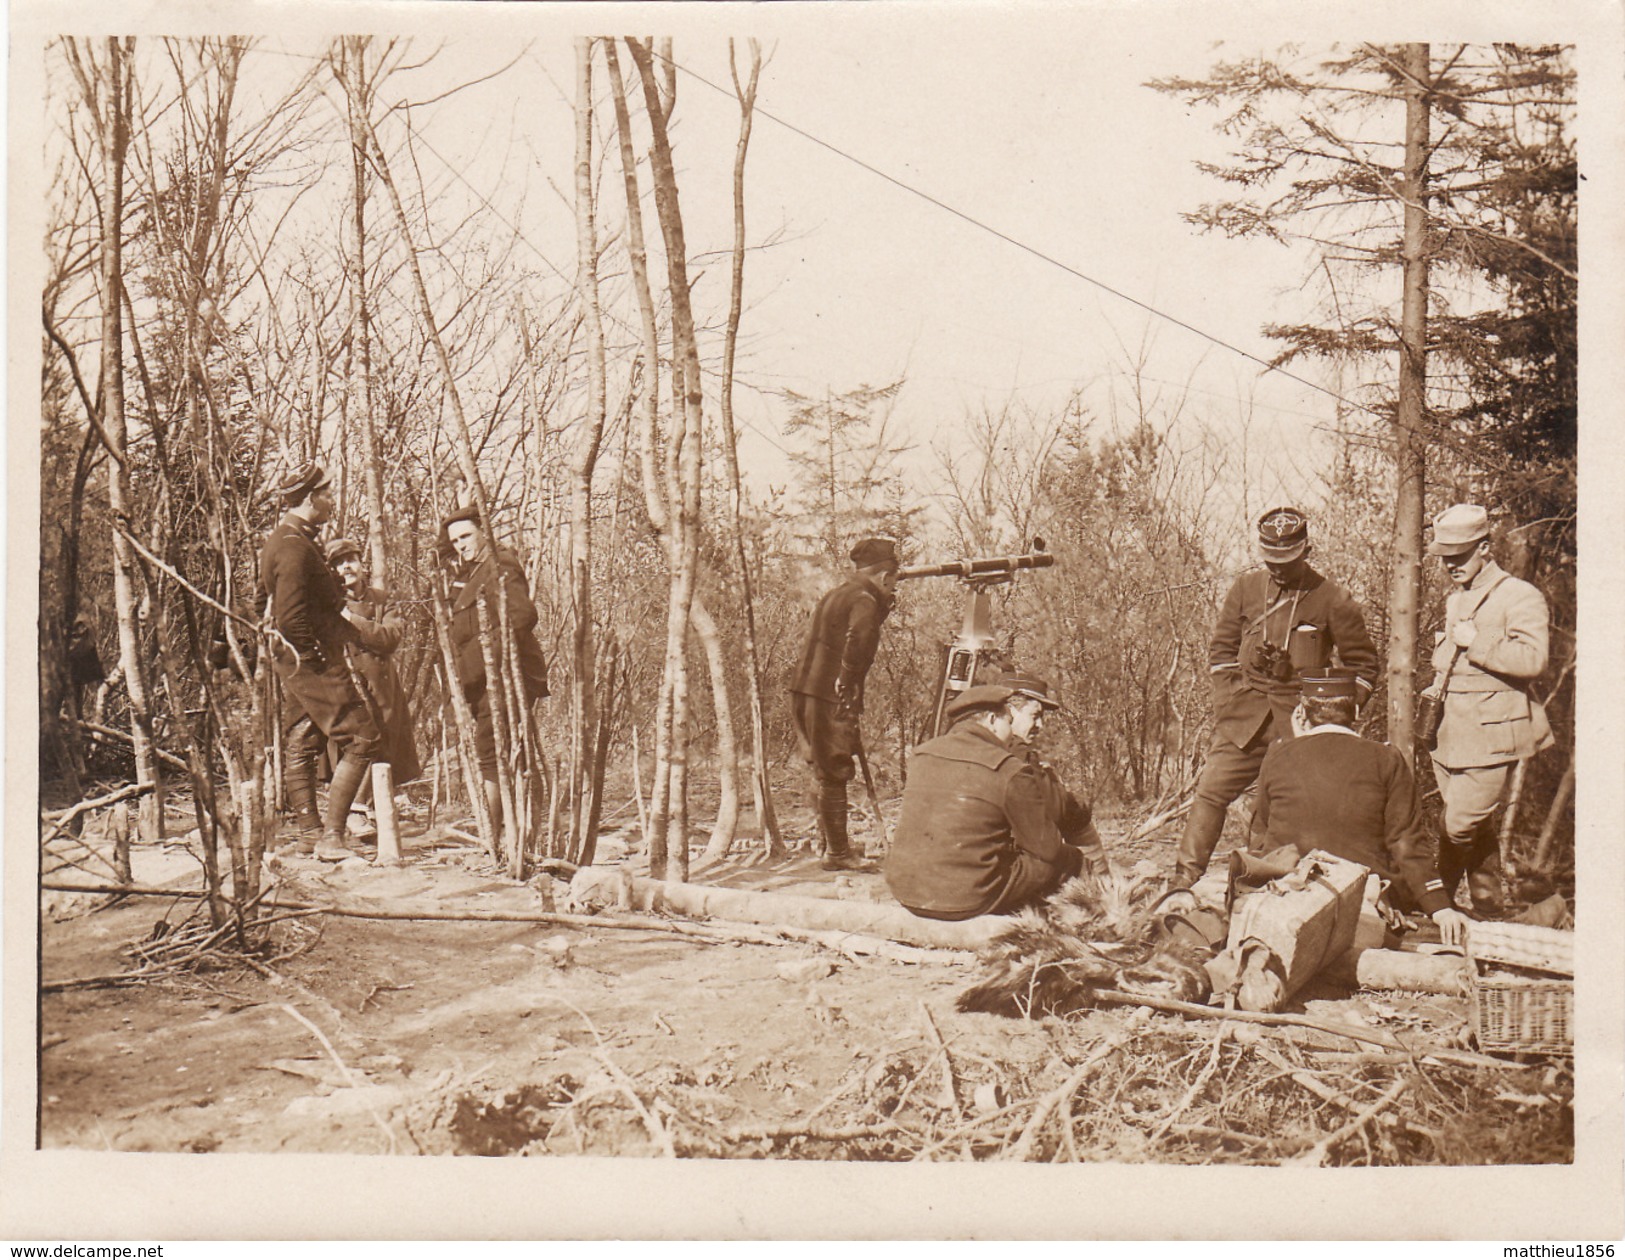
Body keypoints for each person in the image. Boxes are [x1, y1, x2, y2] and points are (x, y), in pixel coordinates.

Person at [1173, 506, 1379, 888]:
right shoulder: (1246, 589)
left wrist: (1332, 717)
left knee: (1271, 811)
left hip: (1298, 724)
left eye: (1287, 559)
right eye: (1271, 559)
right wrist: (1226, 701)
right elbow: (1220, 651)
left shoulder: (1332, 598)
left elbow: (1365, 667)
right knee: (1211, 790)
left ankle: (1257, 888)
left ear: (1306, 550)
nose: (1278, 568)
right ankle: (1182, 881)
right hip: (1243, 719)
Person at [1251, 670, 1470, 947]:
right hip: (1361, 897)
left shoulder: (1277, 756)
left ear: (1303, 712)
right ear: (1355, 710)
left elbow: (1262, 834)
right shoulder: (1386, 759)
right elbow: (1406, 842)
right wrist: (1439, 906)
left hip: (1288, 891)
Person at [1421, 504, 1553, 917]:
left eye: (1459, 555)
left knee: (1457, 825)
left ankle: (1433, 899)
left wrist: (1477, 641)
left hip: (1492, 734)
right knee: (1474, 827)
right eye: (1445, 556)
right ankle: (1487, 904)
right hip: (1449, 733)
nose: (1450, 565)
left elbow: (1533, 660)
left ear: (1485, 547)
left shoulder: (1519, 595)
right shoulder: (1456, 597)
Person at [261, 463, 393, 861]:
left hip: (296, 659)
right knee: (364, 737)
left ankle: (308, 833)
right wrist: (312, 657)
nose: (330, 500)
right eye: (326, 493)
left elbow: (260, 602)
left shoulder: (286, 539)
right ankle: (331, 838)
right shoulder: (293, 545)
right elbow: (288, 615)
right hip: (310, 659)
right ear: (308, 498)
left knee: (302, 738)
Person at [886, 685, 1086, 920]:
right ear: (992, 720)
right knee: (1066, 859)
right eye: (1008, 721)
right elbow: (1048, 849)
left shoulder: (921, 754)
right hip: (968, 899)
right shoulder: (1009, 768)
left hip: (906, 892)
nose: (1011, 732)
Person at [789, 537, 900, 871]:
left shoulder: (838, 594)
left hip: (804, 691)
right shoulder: (865, 601)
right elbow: (859, 638)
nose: (894, 587)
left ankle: (830, 846)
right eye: (893, 581)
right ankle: (837, 853)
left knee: (822, 769)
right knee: (835, 770)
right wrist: (848, 680)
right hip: (829, 697)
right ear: (884, 577)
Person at [443, 506, 550, 837]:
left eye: (466, 536)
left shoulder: (499, 564)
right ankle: (507, 829)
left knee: (497, 751)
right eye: (455, 541)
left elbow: (520, 616)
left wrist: (481, 663)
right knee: (497, 751)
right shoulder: (470, 573)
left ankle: (497, 831)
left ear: (483, 532)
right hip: (481, 680)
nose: (460, 545)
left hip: (502, 677)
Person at [324, 536, 421, 797]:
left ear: (361, 563)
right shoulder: (328, 604)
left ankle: (378, 807)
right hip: (346, 687)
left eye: (350, 560)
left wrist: (351, 620)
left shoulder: (381, 599)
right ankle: (353, 807)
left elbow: (389, 638)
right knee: (354, 746)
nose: (346, 567)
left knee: (385, 745)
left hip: (383, 688)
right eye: (338, 563)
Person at [995, 669, 1112, 877]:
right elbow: (1056, 811)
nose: (1040, 725)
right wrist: (1061, 791)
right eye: (1035, 716)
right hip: (1000, 865)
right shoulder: (1016, 752)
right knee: (1077, 828)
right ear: (1010, 712)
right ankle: (1103, 885)